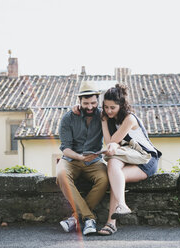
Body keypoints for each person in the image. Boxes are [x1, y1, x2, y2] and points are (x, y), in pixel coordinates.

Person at [97, 84, 162, 236]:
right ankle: (120, 208)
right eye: (106, 107)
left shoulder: (129, 119)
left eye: (112, 107)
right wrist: (104, 121)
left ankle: (112, 221)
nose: (108, 111)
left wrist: (104, 121)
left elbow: (112, 141)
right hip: (128, 155)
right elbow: (109, 144)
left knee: (115, 176)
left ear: (121, 105)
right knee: (113, 165)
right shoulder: (110, 119)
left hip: (146, 159)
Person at [56, 81, 109, 236]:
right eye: (86, 103)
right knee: (61, 175)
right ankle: (89, 218)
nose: (90, 107)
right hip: (71, 159)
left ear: (98, 100)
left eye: (93, 103)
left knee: (104, 179)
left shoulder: (103, 117)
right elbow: (65, 147)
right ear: (79, 101)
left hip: (94, 161)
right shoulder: (68, 118)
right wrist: (79, 157)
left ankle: (74, 219)